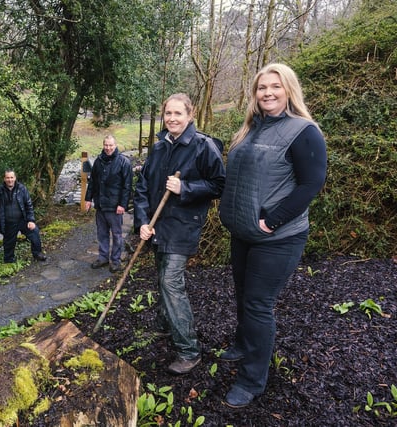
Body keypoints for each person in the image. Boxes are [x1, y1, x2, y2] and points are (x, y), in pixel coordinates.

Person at [218, 63, 327, 408]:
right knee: (242, 294)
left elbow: (312, 183)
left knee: (258, 304)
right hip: (243, 231)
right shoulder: (251, 129)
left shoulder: (303, 131)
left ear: (288, 90)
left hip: (278, 237)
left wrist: (273, 220)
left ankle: (252, 380)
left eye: (275, 87)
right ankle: (242, 344)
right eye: (262, 87)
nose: (267, 93)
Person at [134, 93, 226, 375]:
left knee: (171, 282)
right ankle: (166, 325)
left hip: (184, 225)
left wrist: (185, 188)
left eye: (178, 113)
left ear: (190, 115)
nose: (172, 118)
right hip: (157, 225)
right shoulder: (159, 148)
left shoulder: (203, 146)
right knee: (161, 276)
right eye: (168, 114)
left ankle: (189, 350)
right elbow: (141, 188)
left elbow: (219, 184)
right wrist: (142, 221)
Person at [85, 135, 133, 272]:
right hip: (100, 205)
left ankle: (116, 260)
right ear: (103, 145)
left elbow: (127, 186)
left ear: (116, 145)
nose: (108, 148)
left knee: (117, 235)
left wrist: (123, 204)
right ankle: (103, 257)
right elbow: (92, 182)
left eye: (111, 145)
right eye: (106, 145)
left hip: (115, 206)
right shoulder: (98, 162)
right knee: (102, 234)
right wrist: (88, 199)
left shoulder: (124, 162)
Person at [0, 169, 47, 263]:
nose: (10, 180)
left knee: (34, 231)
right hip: (8, 223)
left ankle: (37, 253)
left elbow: (29, 205)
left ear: (15, 178)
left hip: (22, 220)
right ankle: (9, 261)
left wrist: (31, 220)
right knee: (8, 244)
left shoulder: (22, 189)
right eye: (7, 178)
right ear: (4, 179)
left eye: (11, 177)